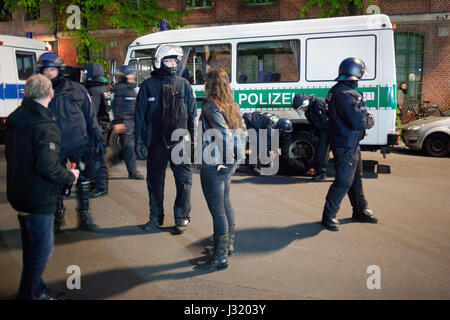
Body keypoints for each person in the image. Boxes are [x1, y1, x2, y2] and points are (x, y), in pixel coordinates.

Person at [6, 74, 80, 299]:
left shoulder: (15, 117)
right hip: (37, 196)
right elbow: (47, 167)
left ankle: (37, 291)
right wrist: (69, 176)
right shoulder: (45, 126)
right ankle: (27, 294)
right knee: (41, 252)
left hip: (18, 192)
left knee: (31, 247)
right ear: (51, 94)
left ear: (26, 93)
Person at [38, 52, 104, 232]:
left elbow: (90, 115)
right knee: (54, 180)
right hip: (53, 146)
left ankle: (84, 215)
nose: (49, 73)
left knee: (82, 179)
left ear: (59, 69)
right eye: (46, 70)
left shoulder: (77, 89)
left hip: (78, 143)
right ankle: (57, 214)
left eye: (52, 69)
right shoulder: (38, 91)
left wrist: (96, 138)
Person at [135, 44, 196, 234]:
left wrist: (193, 141)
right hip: (156, 142)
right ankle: (155, 217)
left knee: (183, 181)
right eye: (169, 60)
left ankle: (181, 217)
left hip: (180, 142)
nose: (173, 64)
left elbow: (192, 115)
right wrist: (138, 140)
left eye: (175, 60)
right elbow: (139, 115)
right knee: (154, 181)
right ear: (159, 62)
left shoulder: (183, 85)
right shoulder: (148, 85)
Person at [196, 68, 247, 271]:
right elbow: (240, 133)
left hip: (215, 163)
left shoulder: (210, 106)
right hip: (227, 163)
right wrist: (236, 158)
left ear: (210, 84)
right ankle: (228, 247)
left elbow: (224, 136)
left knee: (218, 211)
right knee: (225, 205)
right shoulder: (231, 104)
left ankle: (219, 257)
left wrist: (224, 160)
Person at [321, 57, 377, 231]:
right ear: (355, 73)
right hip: (346, 144)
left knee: (356, 179)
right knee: (344, 181)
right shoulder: (349, 95)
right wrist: (371, 120)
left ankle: (360, 210)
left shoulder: (335, 90)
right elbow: (360, 122)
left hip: (347, 142)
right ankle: (328, 216)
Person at [109, 65, 145, 180]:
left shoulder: (130, 88)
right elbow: (117, 106)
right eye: (130, 74)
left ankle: (108, 164)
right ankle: (133, 172)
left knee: (127, 148)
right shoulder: (121, 88)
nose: (133, 76)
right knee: (129, 147)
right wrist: (118, 122)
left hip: (132, 122)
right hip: (125, 123)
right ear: (125, 75)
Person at [83, 62, 110, 197]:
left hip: (96, 129)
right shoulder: (104, 88)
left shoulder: (93, 91)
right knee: (97, 157)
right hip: (102, 128)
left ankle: (101, 186)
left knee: (97, 159)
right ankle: (96, 183)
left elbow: (91, 113)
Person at [292, 93, 330, 181]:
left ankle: (322, 173)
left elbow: (329, 119)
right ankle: (320, 172)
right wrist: (313, 133)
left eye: (301, 108)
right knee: (321, 151)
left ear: (305, 103)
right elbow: (312, 124)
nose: (302, 110)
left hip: (330, 130)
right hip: (322, 130)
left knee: (324, 151)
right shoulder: (308, 111)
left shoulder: (320, 103)